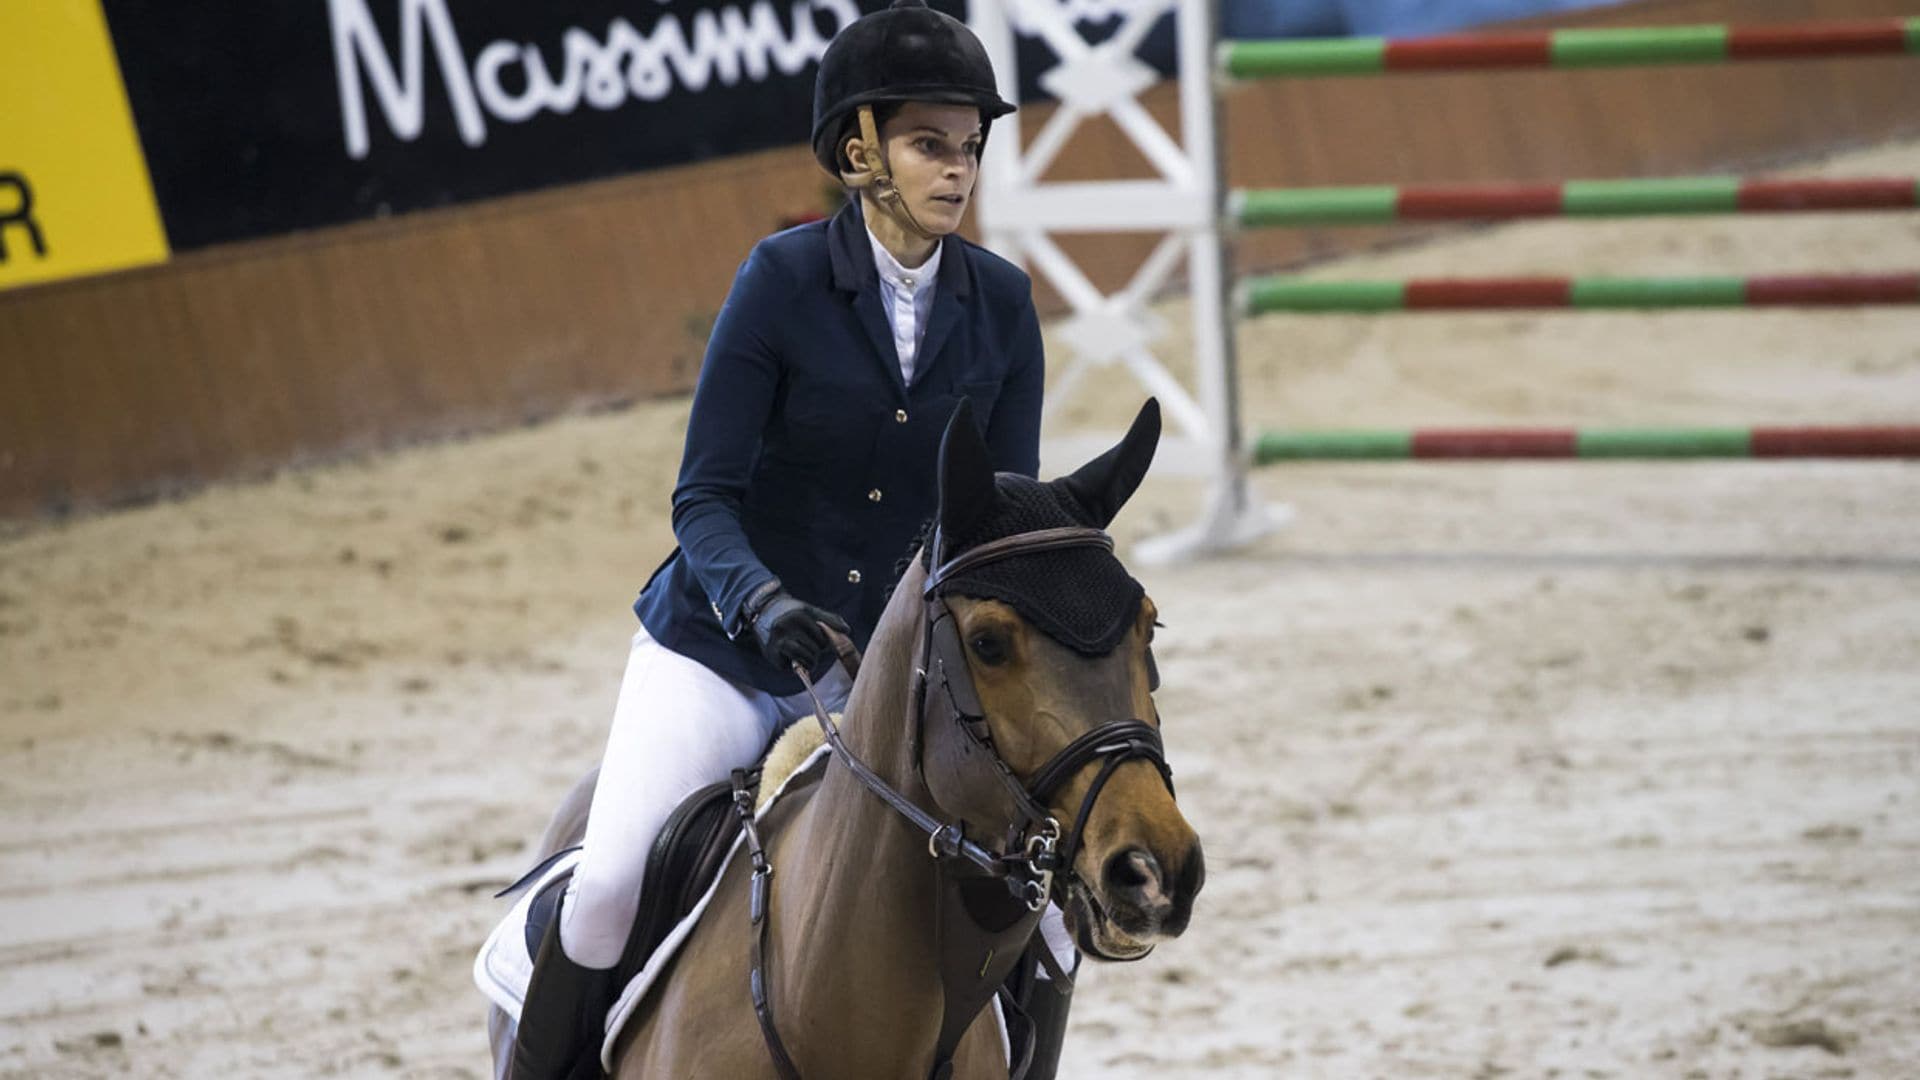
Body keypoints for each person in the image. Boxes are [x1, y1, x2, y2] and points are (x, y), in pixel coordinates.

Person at [506, 2, 1075, 1077]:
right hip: (723, 651)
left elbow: (998, 521)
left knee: (1042, 911)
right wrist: (763, 605)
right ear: (860, 150)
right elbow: (702, 499)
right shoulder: (781, 281)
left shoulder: (1001, 305)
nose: (957, 172)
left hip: (890, 674)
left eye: (968, 148)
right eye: (928, 146)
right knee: (611, 887)